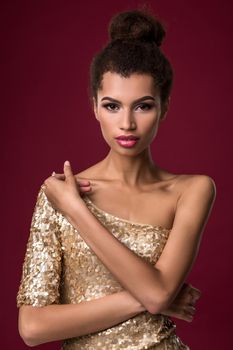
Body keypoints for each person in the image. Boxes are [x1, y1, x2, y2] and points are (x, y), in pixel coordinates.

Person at [16, 7, 216, 350]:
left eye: (143, 106)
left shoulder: (192, 190)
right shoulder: (58, 194)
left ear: (164, 107)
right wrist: (150, 297)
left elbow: (156, 296)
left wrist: (78, 212)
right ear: (94, 105)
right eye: (112, 106)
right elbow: (32, 327)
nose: (126, 124)